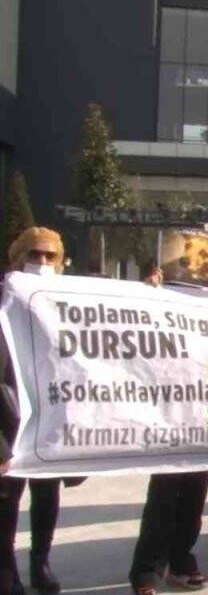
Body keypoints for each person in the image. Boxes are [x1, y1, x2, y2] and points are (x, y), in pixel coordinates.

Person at [130, 264, 208, 595]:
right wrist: (147, 295)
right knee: (163, 494)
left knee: (195, 493)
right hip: (170, 412)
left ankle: (181, 558)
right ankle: (147, 569)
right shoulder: (161, 298)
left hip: (204, 412)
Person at [0, 228, 73, 595]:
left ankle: (40, 562)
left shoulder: (66, 301)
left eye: (49, 256)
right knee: (6, 502)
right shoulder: (2, 302)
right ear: (17, 258)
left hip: (49, 421)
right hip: (9, 422)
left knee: (47, 497)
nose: (42, 263)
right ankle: (6, 570)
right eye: (34, 255)